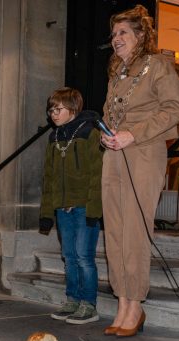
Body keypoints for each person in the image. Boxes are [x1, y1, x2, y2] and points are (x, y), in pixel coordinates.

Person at [99, 4, 179, 337]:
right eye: (114, 33)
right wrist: (105, 134)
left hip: (144, 152)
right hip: (114, 154)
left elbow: (174, 109)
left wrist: (133, 134)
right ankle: (121, 301)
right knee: (115, 232)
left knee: (135, 229)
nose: (116, 38)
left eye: (122, 32)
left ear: (140, 35)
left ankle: (136, 304)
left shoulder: (158, 65)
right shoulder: (116, 73)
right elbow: (110, 113)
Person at [39, 87, 103, 325]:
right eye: (51, 110)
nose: (53, 114)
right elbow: (49, 177)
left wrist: (94, 209)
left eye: (58, 109)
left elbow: (97, 175)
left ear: (73, 108)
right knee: (68, 255)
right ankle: (72, 300)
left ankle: (89, 304)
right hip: (62, 208)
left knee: (84, 256)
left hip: (84, 206)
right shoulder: (54, 137)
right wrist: (47, 212)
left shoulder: (90, 132)